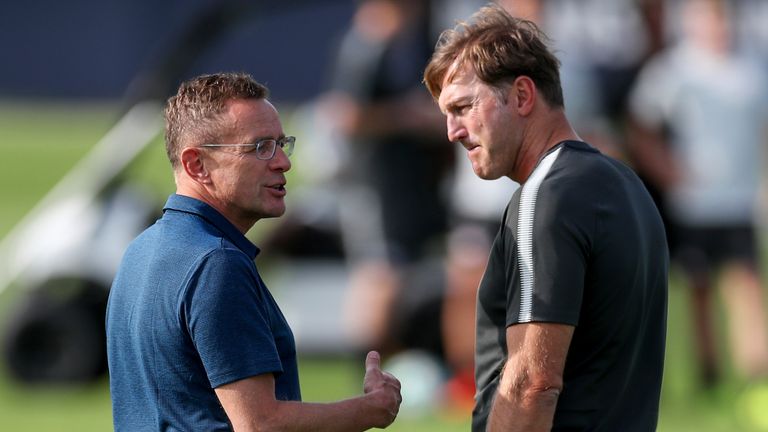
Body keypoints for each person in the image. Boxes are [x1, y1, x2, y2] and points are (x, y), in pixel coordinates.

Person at [105, 72, 402, 431]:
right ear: (197, 164)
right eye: (260, 147)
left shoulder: (140, 250)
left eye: (281, 143)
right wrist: (369, 410)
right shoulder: (217, 264)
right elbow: (260, 424)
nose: (283, 162)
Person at [423, 5, 669, 431]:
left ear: (522, 95)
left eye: (463, 107)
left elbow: (532, 383)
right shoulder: (626, 183)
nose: (453, 131)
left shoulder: (547, 195)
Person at [627, 0, 768, 387]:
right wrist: (668, 171)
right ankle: (709, 375)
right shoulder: (674, 69)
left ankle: (756, 376)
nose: (716, 27)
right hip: (692, 204)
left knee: (746, 285)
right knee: (698, 287)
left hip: (739, 200)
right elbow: (641, 127)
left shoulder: (752, 69)